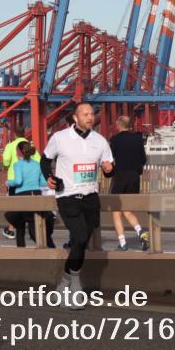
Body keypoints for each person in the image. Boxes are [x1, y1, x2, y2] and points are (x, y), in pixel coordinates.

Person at [42, 103, 114, 309]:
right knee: (80, 236)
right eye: (86, 114)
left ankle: (65, 281)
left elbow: (109, 168)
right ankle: (75, 284)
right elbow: (44, 160)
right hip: (67, 196)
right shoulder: (60, 138)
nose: (90, 117)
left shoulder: (100, 141)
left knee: (82, 242)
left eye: (92, 114)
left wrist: (109, 169)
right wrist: (49, 177)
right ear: (75, 118)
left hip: (90, 197)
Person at [108, 115, 149, 251]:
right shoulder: (137, 138)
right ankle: (141, 233)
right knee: (127, 209)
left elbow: (110, 159)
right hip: (134, 177)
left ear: (119, 125)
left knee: (116, 210)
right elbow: (143, 159)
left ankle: (123, 243)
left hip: (120, 176)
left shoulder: (114, 140)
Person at [7, 143, 55, 248]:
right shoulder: (37, 164)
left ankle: (22, 254)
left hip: (22, 197)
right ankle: (50, 248)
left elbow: (18, 181)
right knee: (34, 230)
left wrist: (9, 182)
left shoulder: (18, 164)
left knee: (20, 229)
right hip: (36, 195)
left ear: (19, 152)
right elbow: (43, 183)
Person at [1, 129, 39, 239]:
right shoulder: (29, 145)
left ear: (14, 134)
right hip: (30, 181)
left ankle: (12, 230)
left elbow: (6, 161)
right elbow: (38, 160)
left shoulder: (11, 145)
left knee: (15, 206)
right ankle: (34, 231)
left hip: (14, 180)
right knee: (30, 206)